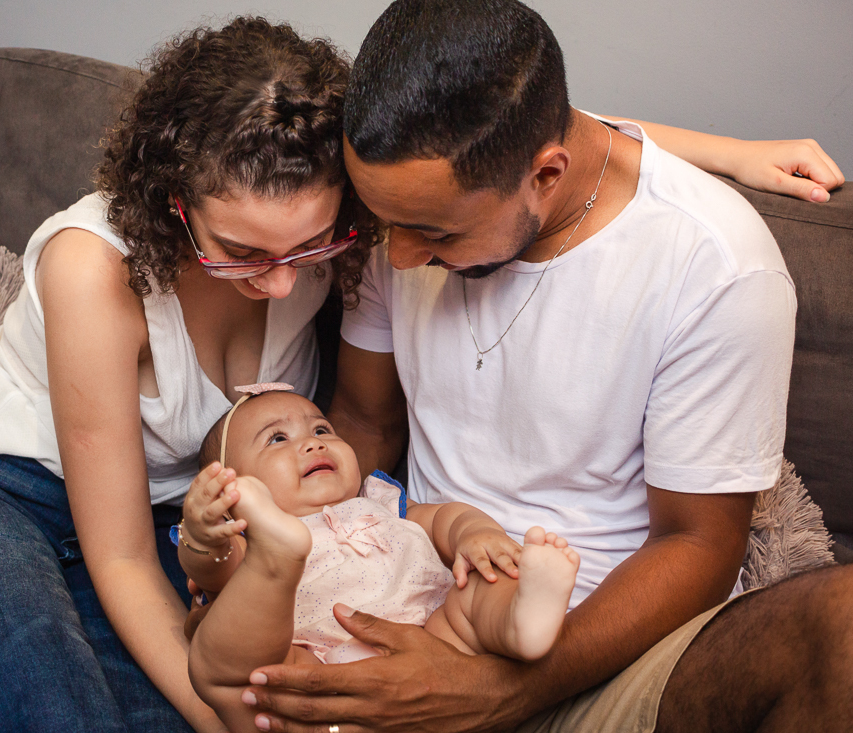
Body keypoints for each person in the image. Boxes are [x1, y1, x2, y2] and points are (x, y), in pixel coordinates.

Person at [0, 10, 843, 733]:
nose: (288, 281)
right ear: (173, 208)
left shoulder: (357, 219)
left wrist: (720, 156)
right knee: (60, 707)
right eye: (238, 253)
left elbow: (505, 135)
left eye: (322, 243)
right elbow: (121, 557)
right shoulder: (106, 267)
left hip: (199, 520)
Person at [238, 2, 852, 732]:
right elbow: (363, 424)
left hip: (604, 649)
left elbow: (697, 544)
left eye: (433, 233)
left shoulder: (714, 268)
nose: (397, 258)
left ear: (546, 174)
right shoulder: (420, 188)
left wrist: (500, 691)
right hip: (420, 593)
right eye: (387, 226)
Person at [182, 387, 580, 732]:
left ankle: (521, 622)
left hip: (438, 642)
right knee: (239, 663)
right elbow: (211, 573)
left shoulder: (382, 502)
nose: (313, 443)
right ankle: (279, 561)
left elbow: (446, 517)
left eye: (322, 429)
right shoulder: (244, 537)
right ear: (231, 498)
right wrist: (203, 538)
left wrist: (475, 534)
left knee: (478, 581)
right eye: (277, 439)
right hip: (318, 667)